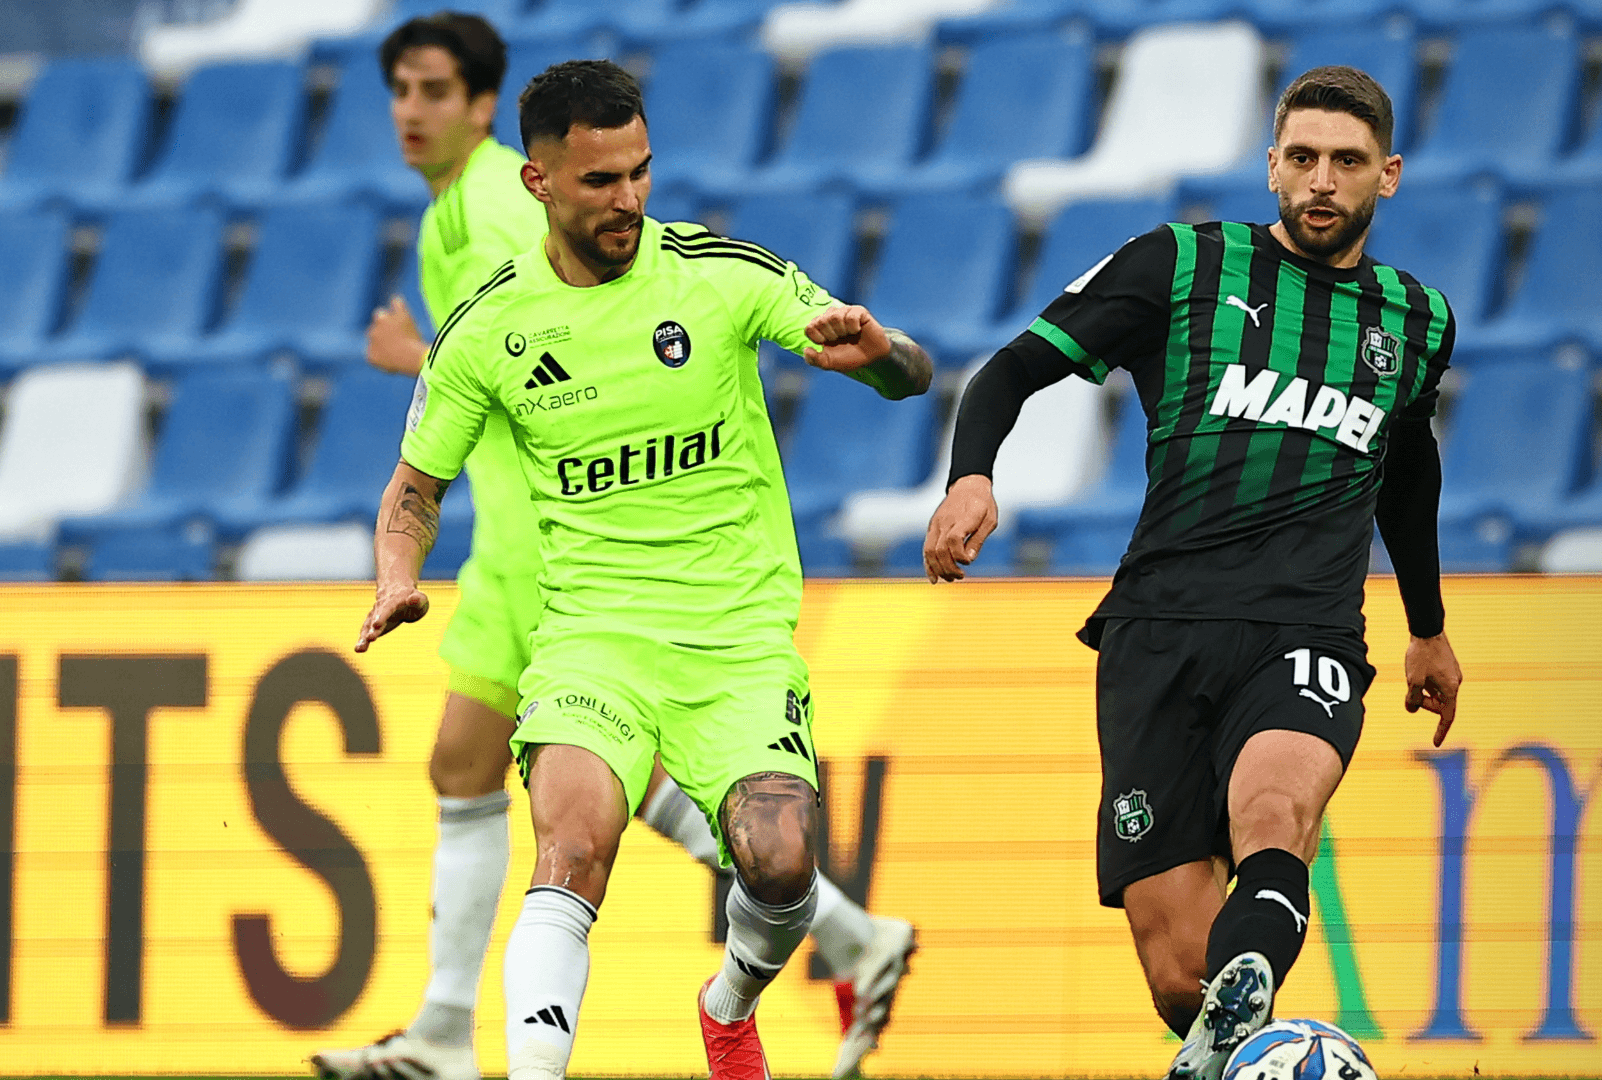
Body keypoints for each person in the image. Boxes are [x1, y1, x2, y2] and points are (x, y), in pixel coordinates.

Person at [337, 47, 930, 1080]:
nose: (629, 199)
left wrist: (882, 356)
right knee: (570, 848)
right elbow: (414, 489)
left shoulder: (720, 274)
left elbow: (910, 374)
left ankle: (727, 1004)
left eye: (641, 172)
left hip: (735, 638)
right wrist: (397, 573)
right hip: (589, 638)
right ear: (539, 182)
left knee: (782, 868)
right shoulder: (490, 326)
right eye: (601, 180)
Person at [923, 66, 1464, 1080]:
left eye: (1347, 162)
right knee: (1180, 976)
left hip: (1306, 630)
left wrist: (1426, 627)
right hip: (1158, 632)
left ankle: (1254, 992)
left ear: (1387, 175)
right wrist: (971, 479)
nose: (1321, 180)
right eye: (1302, 157)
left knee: (1276, 814)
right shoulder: (1180, 263)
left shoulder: (1415, 319)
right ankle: (1235, 1030)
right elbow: (1012, 369)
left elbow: (1406, 471)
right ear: (1272, 166)